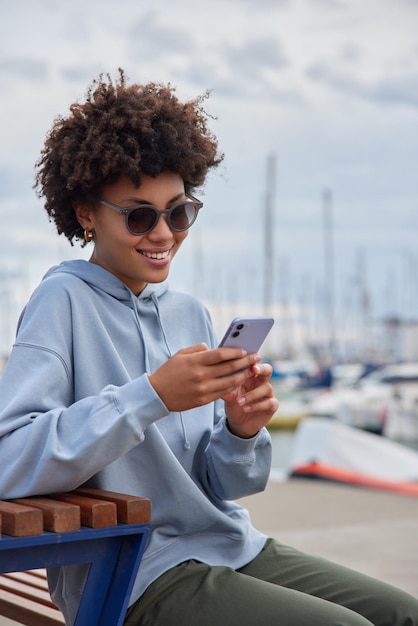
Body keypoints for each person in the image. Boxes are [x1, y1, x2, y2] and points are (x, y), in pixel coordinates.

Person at [0, 70, 416, 626]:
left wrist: (241, 431)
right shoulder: (62, 302)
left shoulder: (189, 312)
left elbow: (225, 484)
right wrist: (150, 396)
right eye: (139, 214)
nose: (164, 234)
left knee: (401, 613)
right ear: (86, 214)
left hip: (228, 542)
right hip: (132, 571)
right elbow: (10, 459)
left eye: (179, 211)